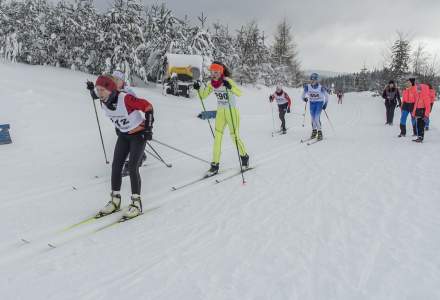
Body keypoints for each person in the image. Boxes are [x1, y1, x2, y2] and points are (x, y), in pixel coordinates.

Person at [87, 75, 154, 219]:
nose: (100, 93)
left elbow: (148, 107)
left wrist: (148, 129)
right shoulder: (103, 100)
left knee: (132, 167)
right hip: (123, 136)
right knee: (116, 167)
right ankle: (115, 200)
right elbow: (95, 95)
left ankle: (136, 203)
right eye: (98, 90)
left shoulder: (125, 99)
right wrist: (92, 89)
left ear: (111, 89)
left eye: (102, 90)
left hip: (138, 135)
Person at [193, 61, 249, 176]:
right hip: (220, 112)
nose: (214, 74)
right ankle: (214, 165)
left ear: (221, 71)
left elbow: (240, 93)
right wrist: (198, 88)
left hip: (231, 111)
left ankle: (244, 157)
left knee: (234, 137)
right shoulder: (211, 83)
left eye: (216, 72)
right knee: (217, 138)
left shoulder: (227, 81)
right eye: (212, 72)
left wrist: (230, 88)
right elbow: (202, 96)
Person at [302, 73, 329, 141]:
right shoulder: (307, 87)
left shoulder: (320, 87)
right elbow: (303, 95)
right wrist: (304, 98)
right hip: (312, 103)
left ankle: (320, 132)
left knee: (316, 118)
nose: (312, 81)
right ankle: (314, 131)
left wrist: (325, 104)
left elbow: (326, 96)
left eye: (314, 80)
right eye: (311, 80)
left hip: (319, 103)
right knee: (313, 118)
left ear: (317, 80)